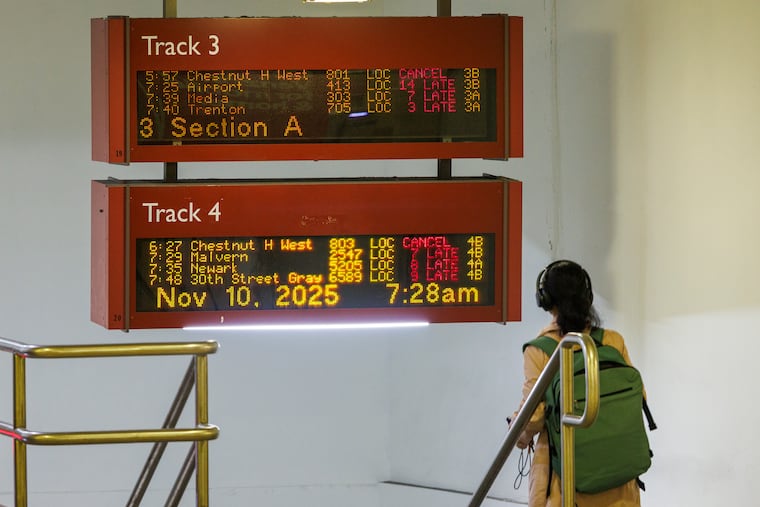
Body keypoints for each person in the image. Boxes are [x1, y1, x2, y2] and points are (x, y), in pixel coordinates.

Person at [512, 259, 641, 507]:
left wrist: (519, 434)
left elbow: (535, 418)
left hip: (566, 488)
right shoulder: (612, 342)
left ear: (546, 300)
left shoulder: (540, 350)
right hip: (620, 485)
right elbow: (639, 398)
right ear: (588, 296)